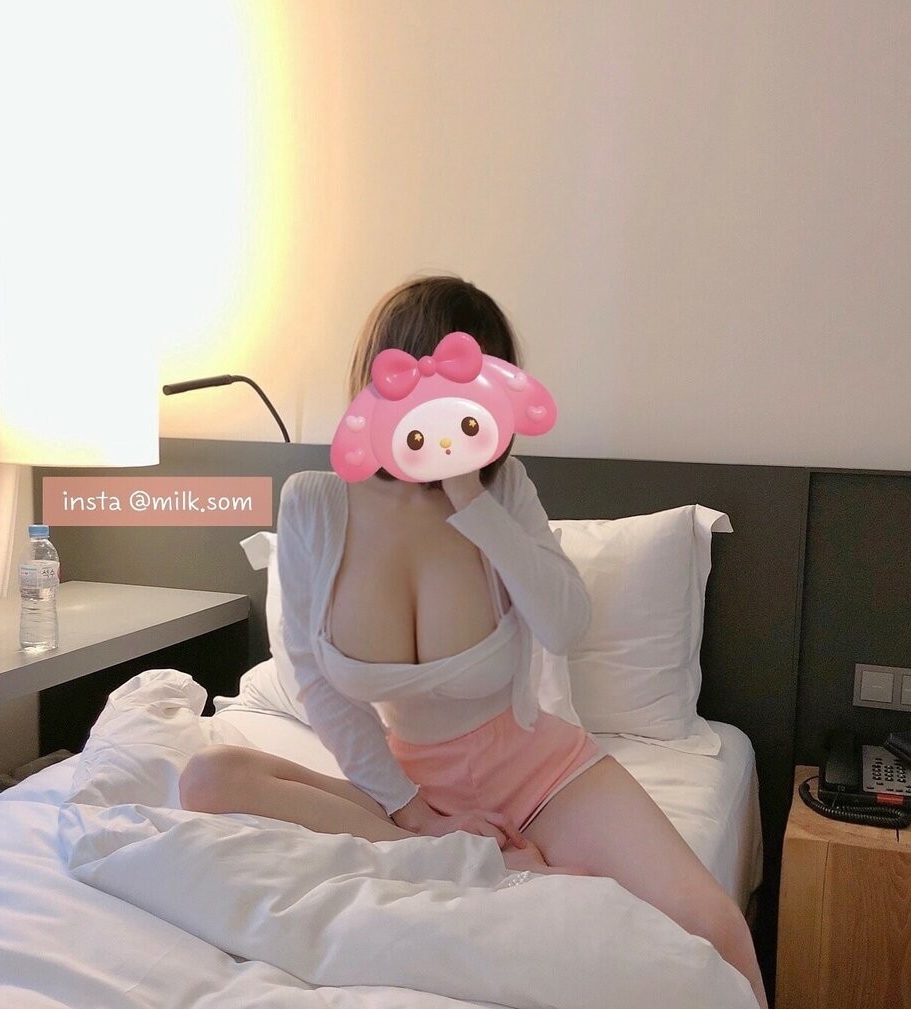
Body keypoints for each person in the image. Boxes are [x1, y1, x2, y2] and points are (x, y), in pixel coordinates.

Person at [180, 275, 769, 1009]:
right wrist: (410, 811)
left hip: (537, 773)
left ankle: (481, 856)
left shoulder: (505, 488)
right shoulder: (316, 503)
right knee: (208, 776)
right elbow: (319, 683)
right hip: (401, 786)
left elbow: (564, 623)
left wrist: (470, 494)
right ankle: (464, 859)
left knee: (715, 928)